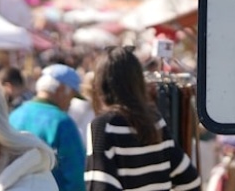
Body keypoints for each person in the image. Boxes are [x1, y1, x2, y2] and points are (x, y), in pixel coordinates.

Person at [84, 46, 201, 191]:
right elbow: (190, 180)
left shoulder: (103, 126)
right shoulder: (155, 121)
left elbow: (99, 186)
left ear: (102, 84)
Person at [9, 64, 85, 191]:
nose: (71, 103)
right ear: (61, 90)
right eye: (71, 97)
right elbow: (76, 177)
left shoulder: (14, 116)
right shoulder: (63, 123)